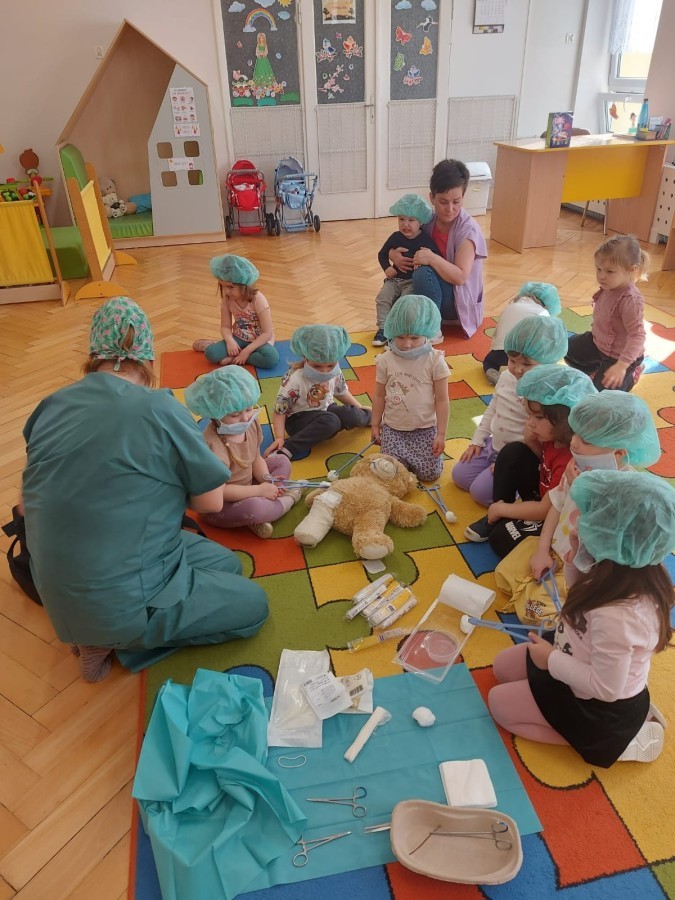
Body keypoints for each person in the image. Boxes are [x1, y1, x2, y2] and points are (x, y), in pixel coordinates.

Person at [21, 297, 269, 683]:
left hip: (57, 586)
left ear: (93, 356)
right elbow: (210, 501)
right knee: (253, 607)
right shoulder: (159, 409)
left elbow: (29, 501)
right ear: (149, 359)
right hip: (122, 596)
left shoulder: (50, 405)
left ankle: (95, 628)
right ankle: (111, 642)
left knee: (227, 565)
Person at [488, 470, 675, 767]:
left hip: (598, 702)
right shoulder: (621, 564)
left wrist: (550, 660)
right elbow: (581, 598)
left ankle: (621, 741)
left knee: (499, 705)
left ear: (613, 536)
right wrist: (576, 556)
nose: (576, 522)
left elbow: (605, 688)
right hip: (574, 653)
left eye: (588, 519)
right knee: (501, 667)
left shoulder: (619, 616)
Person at [529, 391, 661, 587]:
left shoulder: (629, 493)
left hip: (586, 573)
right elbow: (557, 505)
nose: (573, 442)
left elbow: (605, 545)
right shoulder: (577, 468)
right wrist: (541, 549)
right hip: (555, 550)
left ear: (618, 453)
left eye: (587, 440)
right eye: (576, 433)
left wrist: (581, 492)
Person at [464, 365, 596, 553]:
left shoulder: (571, 460)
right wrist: (531, 440)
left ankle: (501, 513)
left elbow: (545, 509)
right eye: (529, 415)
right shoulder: (553, 437)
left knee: (501, 539)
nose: (530, 422)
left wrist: (502, 510)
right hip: (541, 494)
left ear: (565, 420)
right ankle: (501, 509)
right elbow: (543, 462)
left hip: (552, 513)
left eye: (539, 417)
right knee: (513, 451)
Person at [453, 316, 568, 507]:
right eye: (512, 360)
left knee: (480, 494)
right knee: (460, 476)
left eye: (527, 365)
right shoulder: (506, 376)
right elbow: (493, 407)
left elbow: (536, 435)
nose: (518, 369)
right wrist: (477, 440)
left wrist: (505, 464)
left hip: (516, 456)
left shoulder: (545, 392)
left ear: (549, 362)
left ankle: (516, 488)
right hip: (494, 444)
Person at [184, 367, 303, 539]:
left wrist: (266, 479)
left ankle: (262, 511)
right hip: (222, 504)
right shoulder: (212, 446)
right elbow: (221, 493)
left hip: (248, 484)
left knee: (282, 461)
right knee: (255, 508)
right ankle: (287, 500)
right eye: (235, 414)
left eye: (248, 409)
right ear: (215, 413)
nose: (245, 418)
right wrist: (259, 491)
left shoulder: (250, 424)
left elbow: (255, 458)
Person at [388, 159, 487, 340]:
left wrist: (432, 258)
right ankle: (393, 327)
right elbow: (404, 240)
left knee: (422, 271)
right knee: (396, 281)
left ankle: (432, 328)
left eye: (456, 202)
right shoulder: (428, 221)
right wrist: (392, 254)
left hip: (459, 304)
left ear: (463, 197)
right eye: (443, 202)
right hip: (438, 292)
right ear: (432, 198)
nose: (450, 209)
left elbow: (460, 277)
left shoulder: (468, 230)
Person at [371, 294, 450, 483]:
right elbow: (379, 396)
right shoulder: (385, 360)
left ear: (427, 332)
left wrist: (441, 434)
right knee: (390, 476)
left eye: (415, 337)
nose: (407, 344)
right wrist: (375, 424)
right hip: (394, 429)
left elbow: (442, 400)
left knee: (430, 475)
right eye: (400, 337)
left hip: (425, 429)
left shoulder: (435, 360)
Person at [264, 324, 371, 460]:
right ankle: (289, 448)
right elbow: (280, 411)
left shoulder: (335, 371)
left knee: (352, 414)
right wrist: (279, 438)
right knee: (331, 421)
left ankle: (374, 418)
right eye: (317, 366)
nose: (324, 371)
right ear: (305, 357)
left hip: (325, 410)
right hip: (298, 420)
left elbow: (341, 392)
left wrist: (360, 409)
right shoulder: (295, 378)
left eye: (330, 365)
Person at [565, 234, 647, 392]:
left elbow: (638, 336)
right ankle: (597, 370)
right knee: (565, 348)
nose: (601, 276)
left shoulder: (630, 300)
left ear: (632, 270)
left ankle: (631, 375)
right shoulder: (610, 285)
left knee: (601, 397)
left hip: (620, 357)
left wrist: (622, 366)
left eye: (610, 271)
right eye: (599, 269)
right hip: (598, 343)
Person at [372, 193, 440, 347]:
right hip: (394, 280)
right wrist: (387, 267)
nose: (405, 224)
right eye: (401, 219)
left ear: (420, 221)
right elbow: (382, 254)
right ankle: (382, 329)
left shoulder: (425, 240)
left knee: (404, 304)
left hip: (411, 282)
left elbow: (435, 257)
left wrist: (425, 261)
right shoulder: (395, 237)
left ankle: (398, 332)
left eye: (411, 220)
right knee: (382, 298)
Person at [192, 254, 279, 369]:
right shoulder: (227, 300)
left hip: (259, 340)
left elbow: (267, 333)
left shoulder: (258, 300)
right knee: (211, 354)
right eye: (223, 286)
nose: (226, 291)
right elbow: (225, 327)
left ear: (244, 285)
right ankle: (214, 346)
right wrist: (230, 341)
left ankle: (234, 358)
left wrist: (246, 352)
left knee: (271, 359)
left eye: (230, 287)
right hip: (239, 338)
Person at [482, 281, 561, 385]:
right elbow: (548, 340)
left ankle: (491, 370)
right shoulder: (543, 313)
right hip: (528, 357)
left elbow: (497, 334)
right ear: (548, 306)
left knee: (489, 361)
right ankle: (532, 376)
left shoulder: (510, 307)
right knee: (543, 362)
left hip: (503, 353)